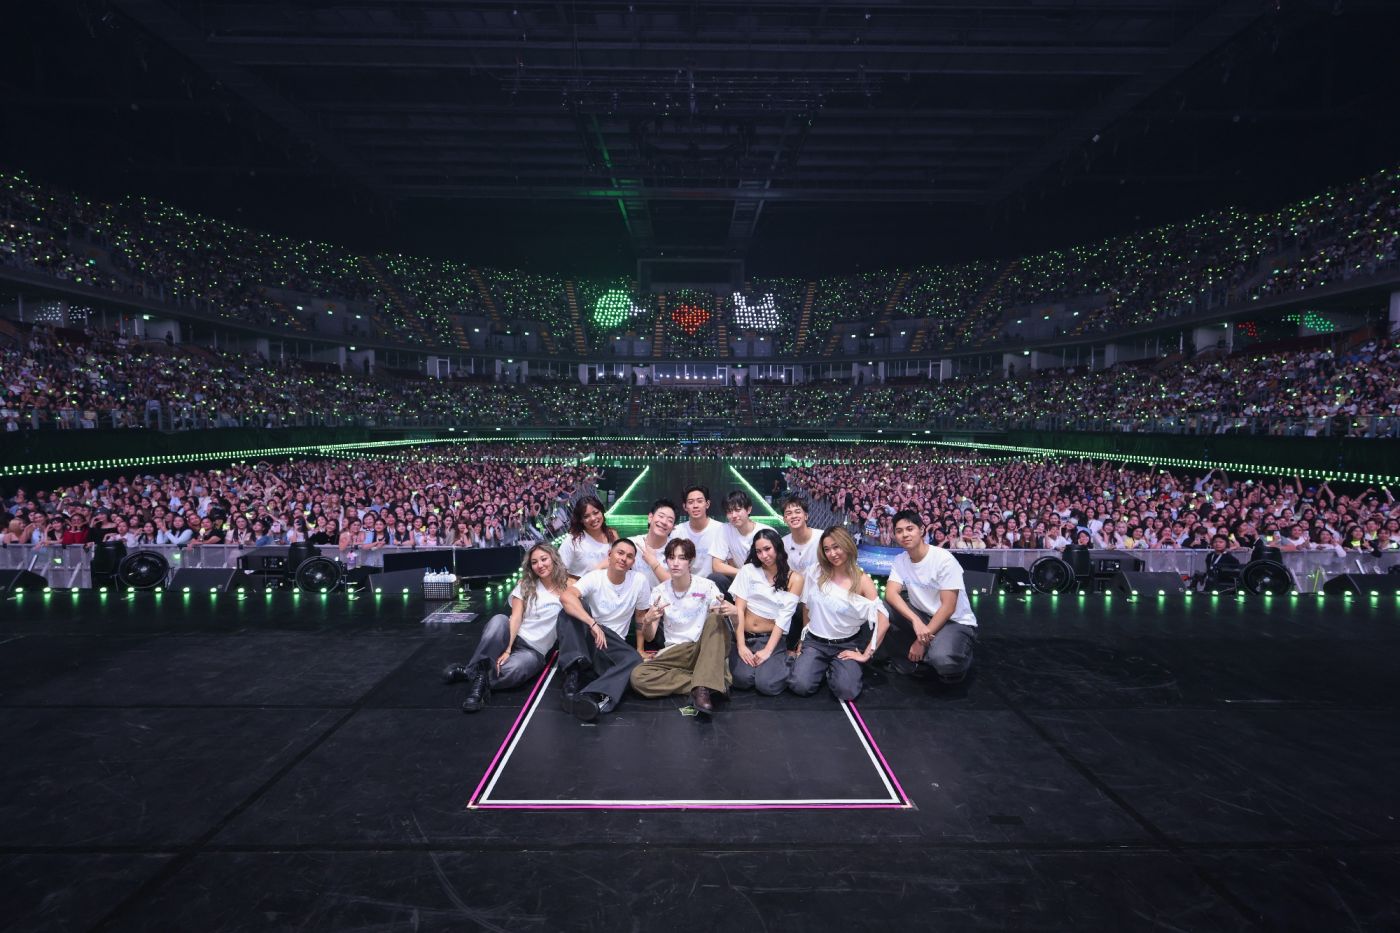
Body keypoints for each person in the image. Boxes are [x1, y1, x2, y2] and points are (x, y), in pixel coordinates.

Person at [443, 543, 567, 713]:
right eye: (534, 562)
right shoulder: (526, 585)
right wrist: (508, 648)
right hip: (510, 635)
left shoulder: (568, 589)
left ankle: (472, 673)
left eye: (544, 559)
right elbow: (515, 617)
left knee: (516, 669)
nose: (540, 565)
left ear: (554, 559)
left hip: (534, 651)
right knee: (499, 620)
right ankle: (478, 689)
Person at [630, 539, 735, 714]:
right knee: (638, 677)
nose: (676, 563)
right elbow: (649, 636)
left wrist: (729, 610)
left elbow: (719, 613)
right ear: (666, 561)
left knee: (715, 619)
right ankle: (710, 684)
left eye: (682, 558)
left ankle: (703, 687)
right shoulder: (659, 592)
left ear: (691, 561)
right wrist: (647, 621)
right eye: (671, 558)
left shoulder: (707, 586)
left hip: (703, 648)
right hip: (676, 652)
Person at [787, 528, 889, 702]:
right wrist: (803, 641)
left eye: (836, 547)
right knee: (800, 685)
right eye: (827, 549)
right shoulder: (815, 572)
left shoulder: (862, 580)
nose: (832, 553)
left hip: (846, 645)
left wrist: (866, 654)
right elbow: (806, 607)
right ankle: (817, 665)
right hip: (815, 642)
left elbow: (883, 620)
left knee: (847, 691)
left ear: (847, 545)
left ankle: (836, 668)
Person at [880, 509, 978, 684]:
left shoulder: (943, 559)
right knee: (881, 608)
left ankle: (960, 654)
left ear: (922, 530)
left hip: (953, 621)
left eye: (910, 529)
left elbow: (948, 607)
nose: (905, 535)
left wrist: (921, 642)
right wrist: (916, 620)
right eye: (899, 531)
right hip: (923, 616)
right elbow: (890, 593)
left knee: (943, 661)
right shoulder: (900, 560)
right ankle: (907, 661)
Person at [558, 538, 651, 721]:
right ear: (610, 555)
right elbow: (566, 596)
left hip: (613, 642)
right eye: (620, 553)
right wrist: (592, 623)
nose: (624, 558)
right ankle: (572, 675)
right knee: (569, 611)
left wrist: (640, 648)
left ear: (633, 562)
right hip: (591, 634)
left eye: (629, 556)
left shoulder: (639, 580)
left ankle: (590, 695)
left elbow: (640, 616)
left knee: (635, 660)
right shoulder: (595, 577)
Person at [731, 528, 803, 696]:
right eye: (758, 551)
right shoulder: (748, 570)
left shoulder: (795, 579)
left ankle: (787, 658)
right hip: (746, 637)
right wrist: (741, 645)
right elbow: (739, 610)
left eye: (767, 549)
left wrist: (768, 650)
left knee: (767, 685)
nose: (763, 555)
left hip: (772, 640)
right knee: (742, 680)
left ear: (777, 547)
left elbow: (784, 619)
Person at [709, 490, 773, 593]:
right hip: (740, 581)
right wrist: (744, 574)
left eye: (738, 510)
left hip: (765, 582)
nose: (734, 515)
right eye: (729, 511)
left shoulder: (766, 531)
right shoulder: (724, 529)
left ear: (749, 509)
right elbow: (716, 566)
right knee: (716, 578)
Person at [559, 494, 616, 579]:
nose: (593, 518)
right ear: (581, 520)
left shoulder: (612, 534)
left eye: (596, 513)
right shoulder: (573, 540)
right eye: (586, 516)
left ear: (602, 512)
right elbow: (558, 570)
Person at [675, 485, 725, 580]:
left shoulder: (721, 529)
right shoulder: (677, 532)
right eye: (690, 502)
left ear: (707, 504)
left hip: (714, 582)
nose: (695, 506)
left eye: (700, 501)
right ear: (685, 507)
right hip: (686, 582)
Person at [629, 498, 679, 591]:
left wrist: (653, 561)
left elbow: (677, 586)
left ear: (673, 527)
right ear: (650, 518)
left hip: (665, 599)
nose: (664, 522)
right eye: (661, 516)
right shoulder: (632, 544)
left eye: (670, 520)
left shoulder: (677, 549)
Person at [780, 495, 824, 573]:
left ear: (806, 516)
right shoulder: (782, 544)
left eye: (797, 512)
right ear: (784, 519)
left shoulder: (822, 537)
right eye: (789, 513)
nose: (794, 516)